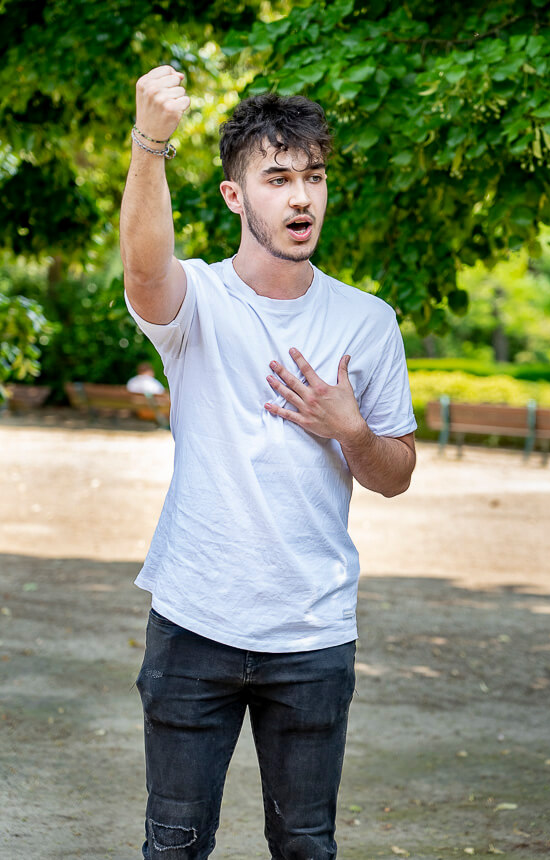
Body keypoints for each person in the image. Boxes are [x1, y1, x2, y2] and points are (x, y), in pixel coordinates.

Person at [120, 65, 417, 860]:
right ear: (233, 196)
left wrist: (349, 430)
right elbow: (146, 274)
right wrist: (150, 144)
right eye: (277, 177)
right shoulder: (200, 304)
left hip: (313, 632)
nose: (300, 198)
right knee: (174, 844)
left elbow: (395, 473)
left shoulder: (367, 320)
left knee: (305, 846)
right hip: (195, 624)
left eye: (313, 177)